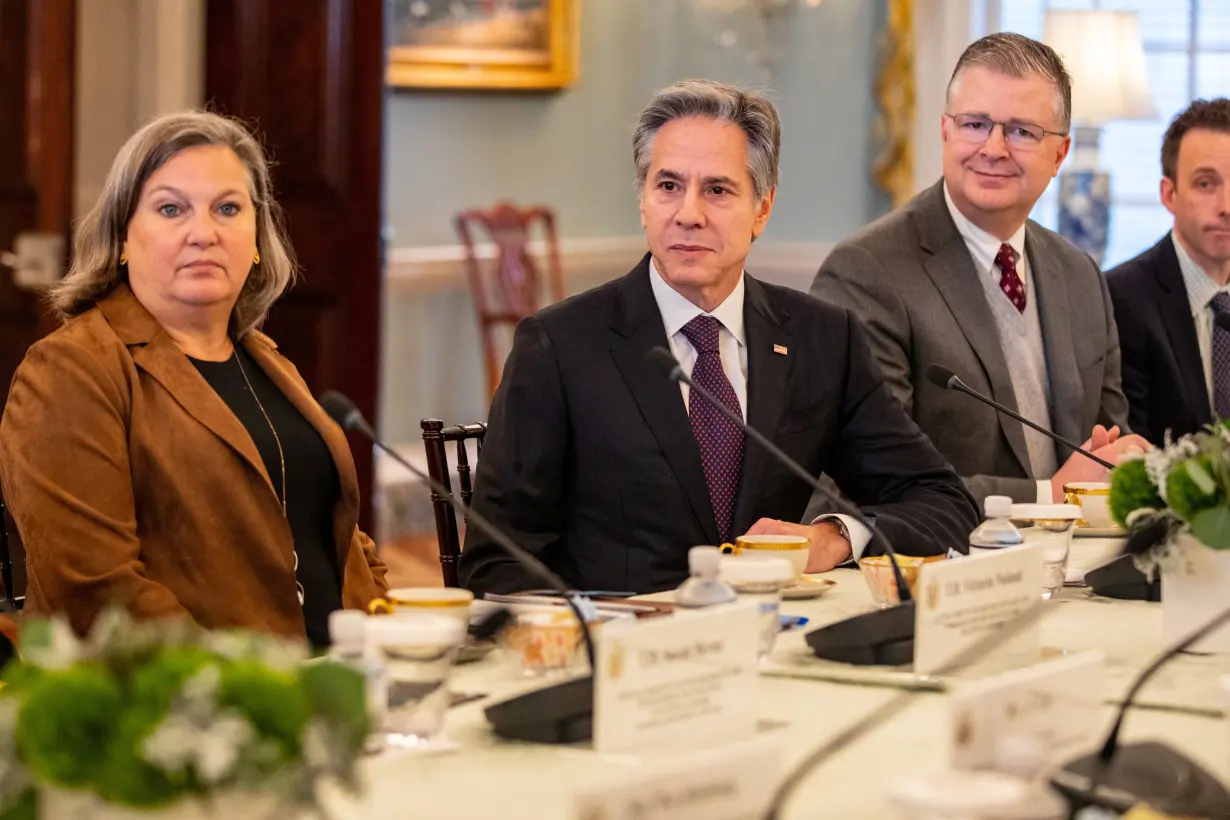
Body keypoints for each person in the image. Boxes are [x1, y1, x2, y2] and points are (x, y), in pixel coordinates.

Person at [459, 80, 980, 596]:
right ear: (642, 202)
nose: (688, 213)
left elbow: (941, 501)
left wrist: (834, 538)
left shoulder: (822, 340)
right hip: (624, 658)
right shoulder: (558, 346)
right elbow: (496, 565)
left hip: (780, 652)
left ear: (762, 208)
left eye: (717, 189)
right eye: (667, 186)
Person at [0, 112, 387, 646]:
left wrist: (390, 638)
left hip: (341, 684)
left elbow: (339, 540)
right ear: (122, 238)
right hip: (191, 708)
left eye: (228, 209)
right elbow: (95, 591)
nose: (203, 233)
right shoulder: (71, 371)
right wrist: (248, 691)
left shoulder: (267, 359)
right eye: (170, 209)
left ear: (256, 238)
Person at [812, 33, 1148, 506]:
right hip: (944, 570)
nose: (993, 148)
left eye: (1022, 131)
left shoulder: (1080, 275)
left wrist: (1130, 465)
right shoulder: (866, 272)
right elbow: (874, 483)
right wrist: (1047, 494)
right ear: (945, 131)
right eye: (975, 124)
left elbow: (1108, 448)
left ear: (1060, 154)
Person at [1107, 99, 1230, 445]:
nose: (1226, 207)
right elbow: (1130, 452)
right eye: (1206, 184)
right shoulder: (1121, 299)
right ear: (1169, 194)